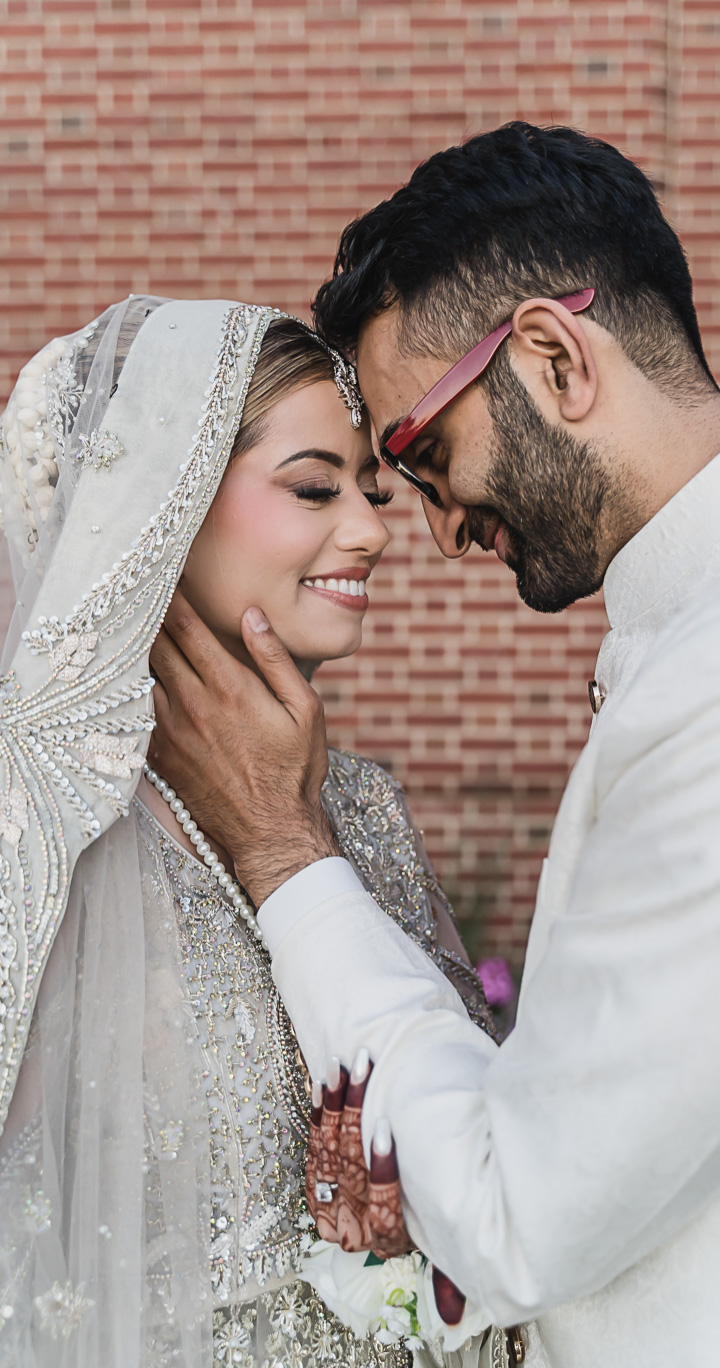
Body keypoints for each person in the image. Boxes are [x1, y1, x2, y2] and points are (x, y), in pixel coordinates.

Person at [148, 122, 720, 1368]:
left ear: (554, 359)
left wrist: (283, 848)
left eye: (419, 457)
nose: (434, 533)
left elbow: (521, 1211)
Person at [0, 296, 513, 1368]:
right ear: (156, 503)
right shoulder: (35, 830)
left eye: (370, 490)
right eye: (316, 487)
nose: (373, 530)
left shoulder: (357, 808)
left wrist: (404, 1224)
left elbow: (486, 1157)